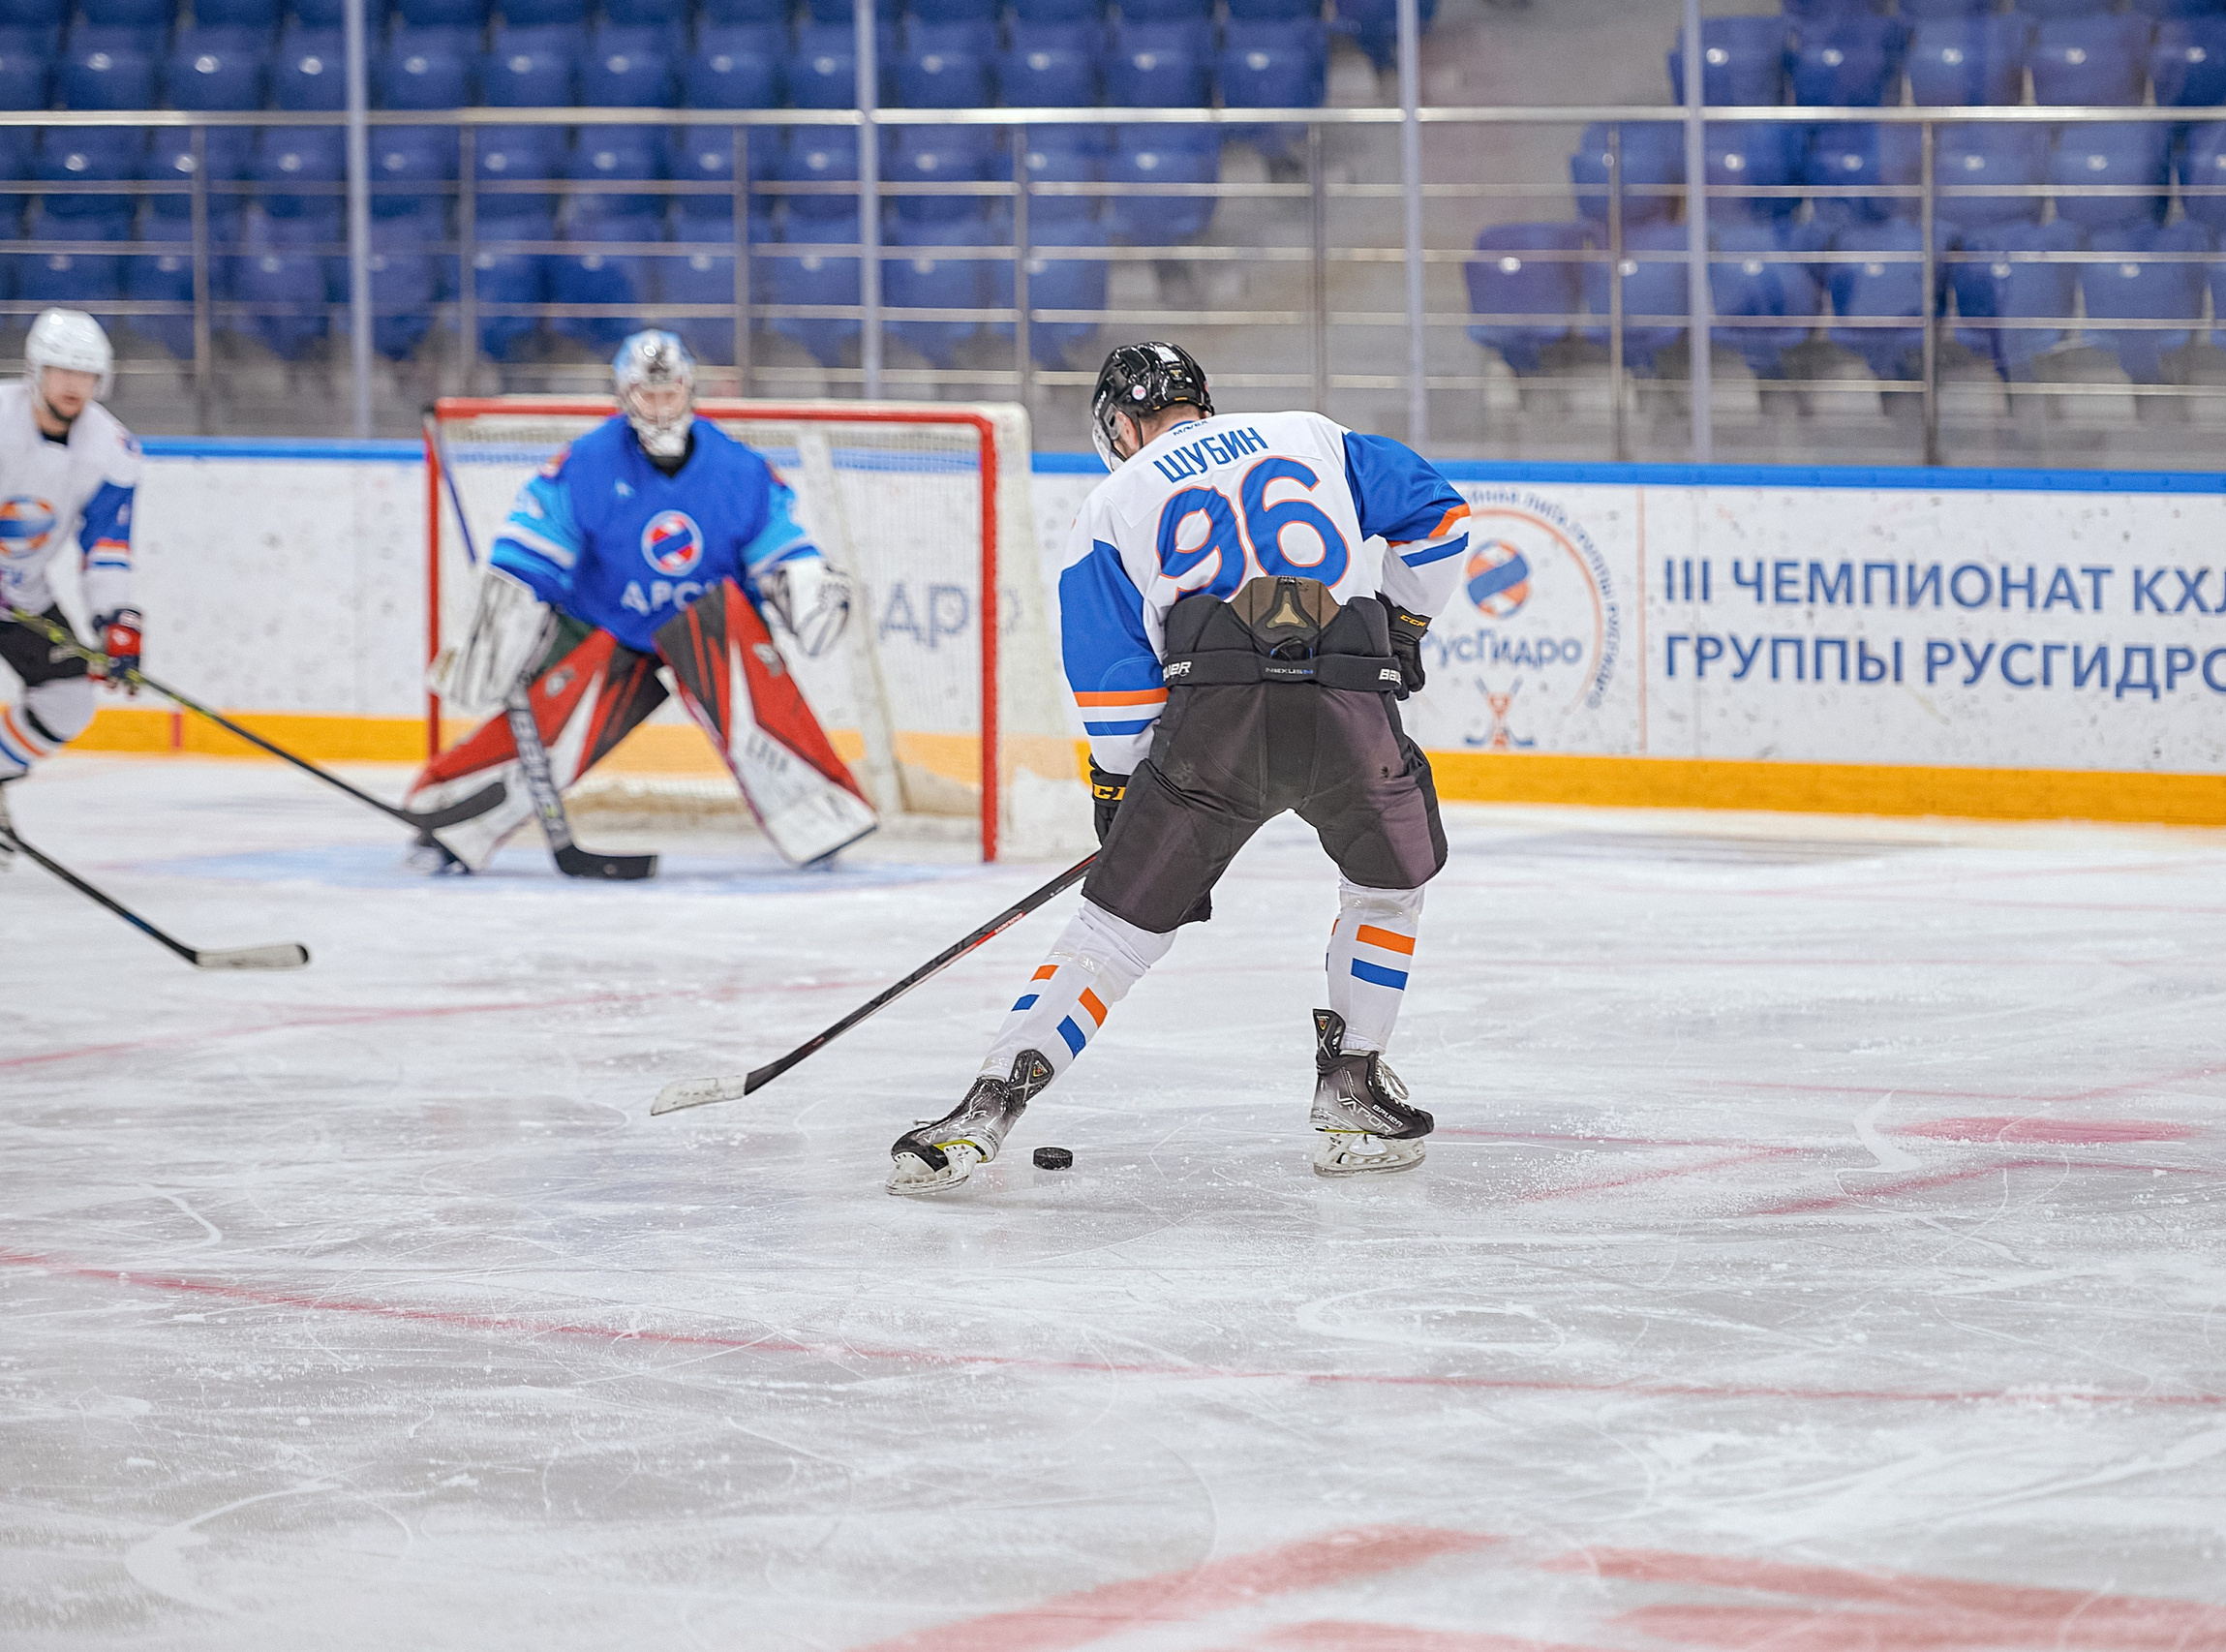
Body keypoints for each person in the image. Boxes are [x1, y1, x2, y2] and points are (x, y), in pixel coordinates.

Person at [887, 341, 1473, 1195]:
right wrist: (1406, 624)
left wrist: (1124, 790)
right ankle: (1352, 1088)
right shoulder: (1312, 435)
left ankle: (986, 1109)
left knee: (1112, 935)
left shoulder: (1112, 501)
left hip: (1216, 717)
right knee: (1385, 890)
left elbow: (1115, 688)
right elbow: (1442, 519)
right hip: (1349, 700)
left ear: (1121, 426)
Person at [412, 330, 873, 872]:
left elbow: (781, 550)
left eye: (669, 393)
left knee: (755, 689)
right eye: (646, 395)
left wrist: (805, 586)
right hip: (608, 626)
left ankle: (821, 815)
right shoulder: (585, 464)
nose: (659, 407)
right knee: (551, 723)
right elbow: (528, 554)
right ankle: (449, 813)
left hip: (709, 628)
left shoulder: (740, 471)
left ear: (690, 391)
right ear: (623, 396)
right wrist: (505, 615)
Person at [0, 311, 143, 860]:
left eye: (86, 374)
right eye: (62, 370)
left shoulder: (113, 450)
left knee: (68, 702)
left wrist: (116, 620)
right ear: (36, 370)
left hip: (21, 596)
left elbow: (106, 547)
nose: (73, 385)